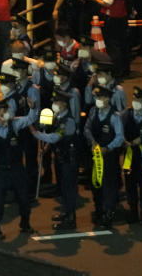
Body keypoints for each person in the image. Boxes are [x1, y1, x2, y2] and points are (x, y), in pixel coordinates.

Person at [0, 99, 39, 239]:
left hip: (17, 169)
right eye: (2, 111)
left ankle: (25, 224)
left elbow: (30, 118)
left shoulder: (15, 123)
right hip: (1, 171)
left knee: (24, 199)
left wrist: (32, 108)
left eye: (6, 110)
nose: (5, 113)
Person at [31, 89, 80, 230]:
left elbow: (55, 137)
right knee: (63, 190)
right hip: (60, 159)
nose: (54, 104)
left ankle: (71, 220)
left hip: (68, 160)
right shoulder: (58, 117)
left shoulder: (68, 121)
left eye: (57, 102)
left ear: (64, 104)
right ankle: (66, 213)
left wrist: (36, 134)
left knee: (69, 190)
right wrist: (46, 147)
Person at [84, 85, 125, 227]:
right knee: (96, 184)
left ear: (108, 99)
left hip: (109, 156)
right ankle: (99, 209)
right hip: (95, 155)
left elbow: (119, 137)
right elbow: (87, 128)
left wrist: (107, 148)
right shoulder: (93, 111)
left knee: (109, 185)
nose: (98, 100)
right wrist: (93, 142)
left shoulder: (115, 116)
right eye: (97, 97)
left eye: (101, 97)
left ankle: (109, 213)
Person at [122, 87, 142, 224]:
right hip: (130, 156)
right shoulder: (126, 115)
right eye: (134, 99)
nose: (135, 102)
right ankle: (133, 211)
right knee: (130, 184)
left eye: (138, 100)